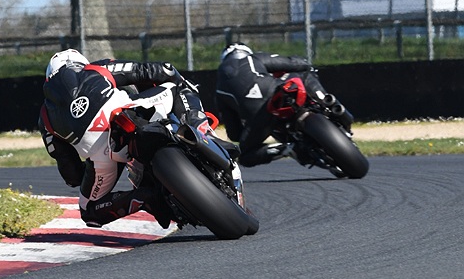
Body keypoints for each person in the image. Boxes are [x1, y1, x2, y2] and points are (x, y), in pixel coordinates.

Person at [38, 48, 211, 228]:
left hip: (101, 154)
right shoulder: (95, 68)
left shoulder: (45, 117)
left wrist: (90, 170)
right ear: (81, 63)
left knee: (89, 210)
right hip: (128, 112)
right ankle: (200, 132)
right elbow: (153, 70)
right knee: (179, 85)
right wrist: (167, 74)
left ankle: (144, 197)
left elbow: (71, 175)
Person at [216, 43, 353, 167]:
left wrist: (248, 126)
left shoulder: (219, 88)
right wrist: (308, 66)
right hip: (275, 91)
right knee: (303, 73)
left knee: (245, 156)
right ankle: (329, 103)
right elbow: (293, 63)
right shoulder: (253, 58)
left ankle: (287, 149)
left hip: (258, 117)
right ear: (246, 52)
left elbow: (234, 134)